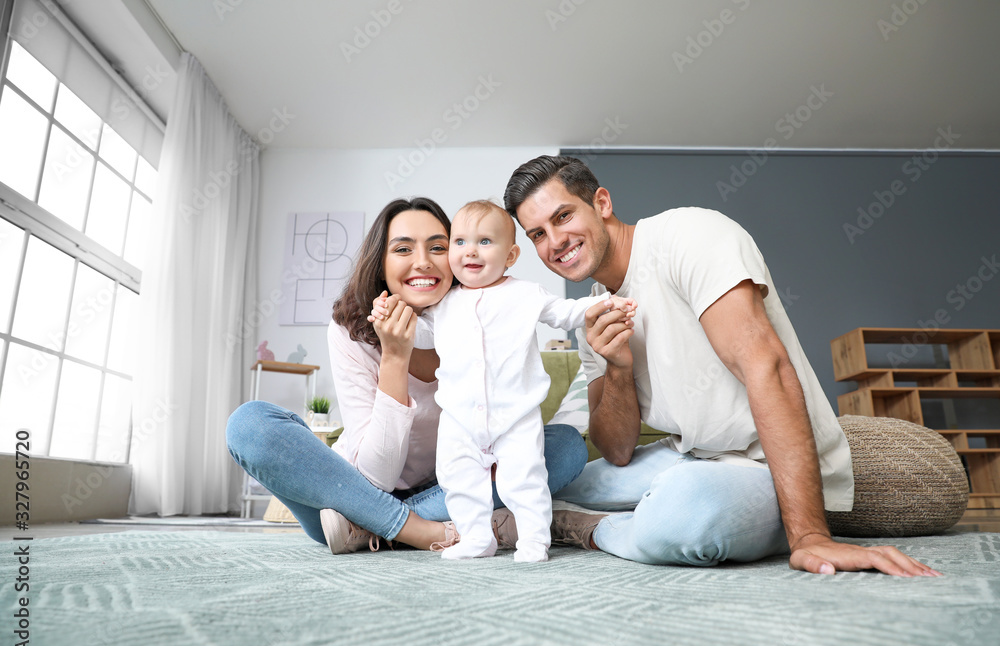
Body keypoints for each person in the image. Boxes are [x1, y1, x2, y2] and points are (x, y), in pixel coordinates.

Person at [501, 155, 940, 577]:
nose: (555, 242)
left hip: (763, 466)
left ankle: (589, 528)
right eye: (537, 234)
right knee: (540, 484)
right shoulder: (594, 313)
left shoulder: (688, 236)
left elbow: (766, 367)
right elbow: (616, 451)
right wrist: (617, 368)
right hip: (685, 456)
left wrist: (809, 535)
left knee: (682, 512)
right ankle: (564, 513)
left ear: (601, 203)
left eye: (562, 217)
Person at [225, 197, 589, 554]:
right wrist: (395, 358)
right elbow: (377, 477)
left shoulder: (480, 316)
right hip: (350, 490)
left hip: (444, 489)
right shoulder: (348, 330)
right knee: (250, 425)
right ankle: (417, 530)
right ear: (380, 263)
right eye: (402, 249)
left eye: (438, 247)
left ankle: (369, 529)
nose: (422, 262)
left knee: (566, 447)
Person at [372, 201, 636, 562]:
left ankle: (533, 539)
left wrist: (606, 304)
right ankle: (477, 538)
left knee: (524, 480)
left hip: (516, 417)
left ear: (510, 255)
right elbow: (419, 336)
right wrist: (391, 313)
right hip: (460, 419)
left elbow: (565, 313)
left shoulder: (527, 294)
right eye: (460, 242)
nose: (471, 251)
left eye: (485, 242)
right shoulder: (443, 305)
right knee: (459, 481)